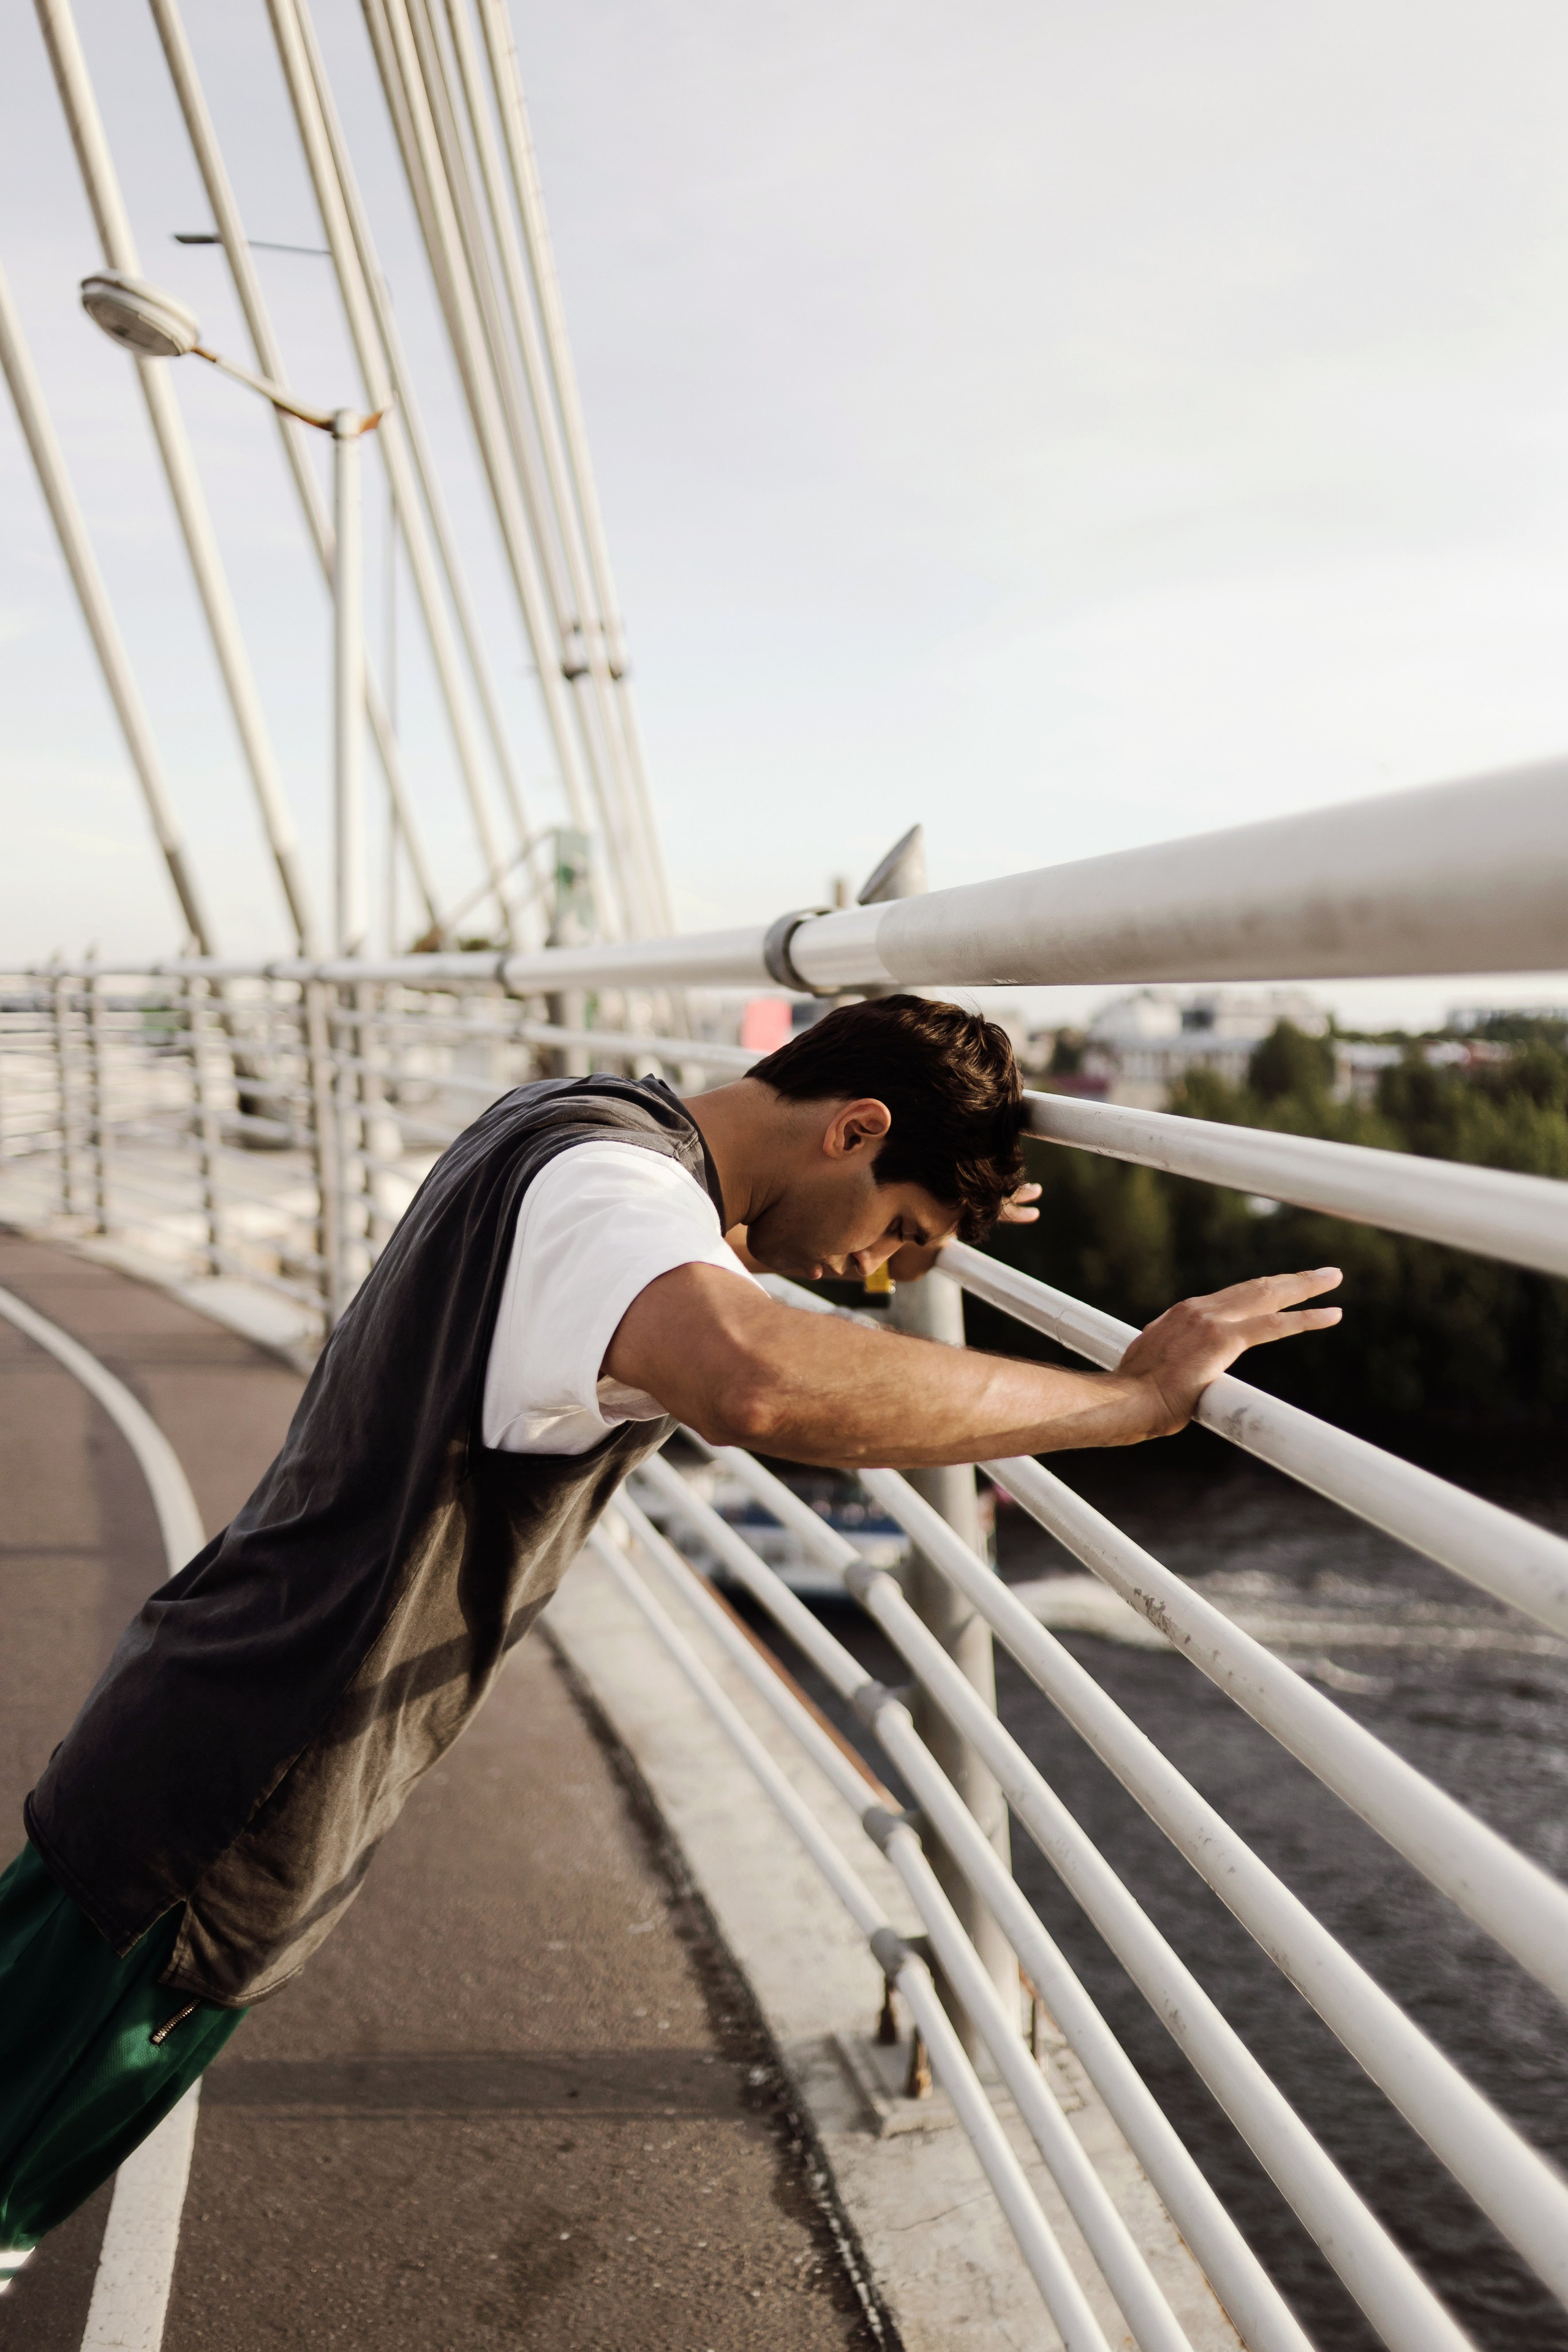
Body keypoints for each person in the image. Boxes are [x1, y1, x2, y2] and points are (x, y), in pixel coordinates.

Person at [0, 993, 1341, 2275]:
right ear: (855, 1127)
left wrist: (921, 1202)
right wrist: (1129, 1403)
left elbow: (712, 1263)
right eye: (899, 1230)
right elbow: (752, 1378)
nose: (880, 1275)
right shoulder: (613, 1198)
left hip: (192, 1736)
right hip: (216, 1823)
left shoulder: (572, 1126)